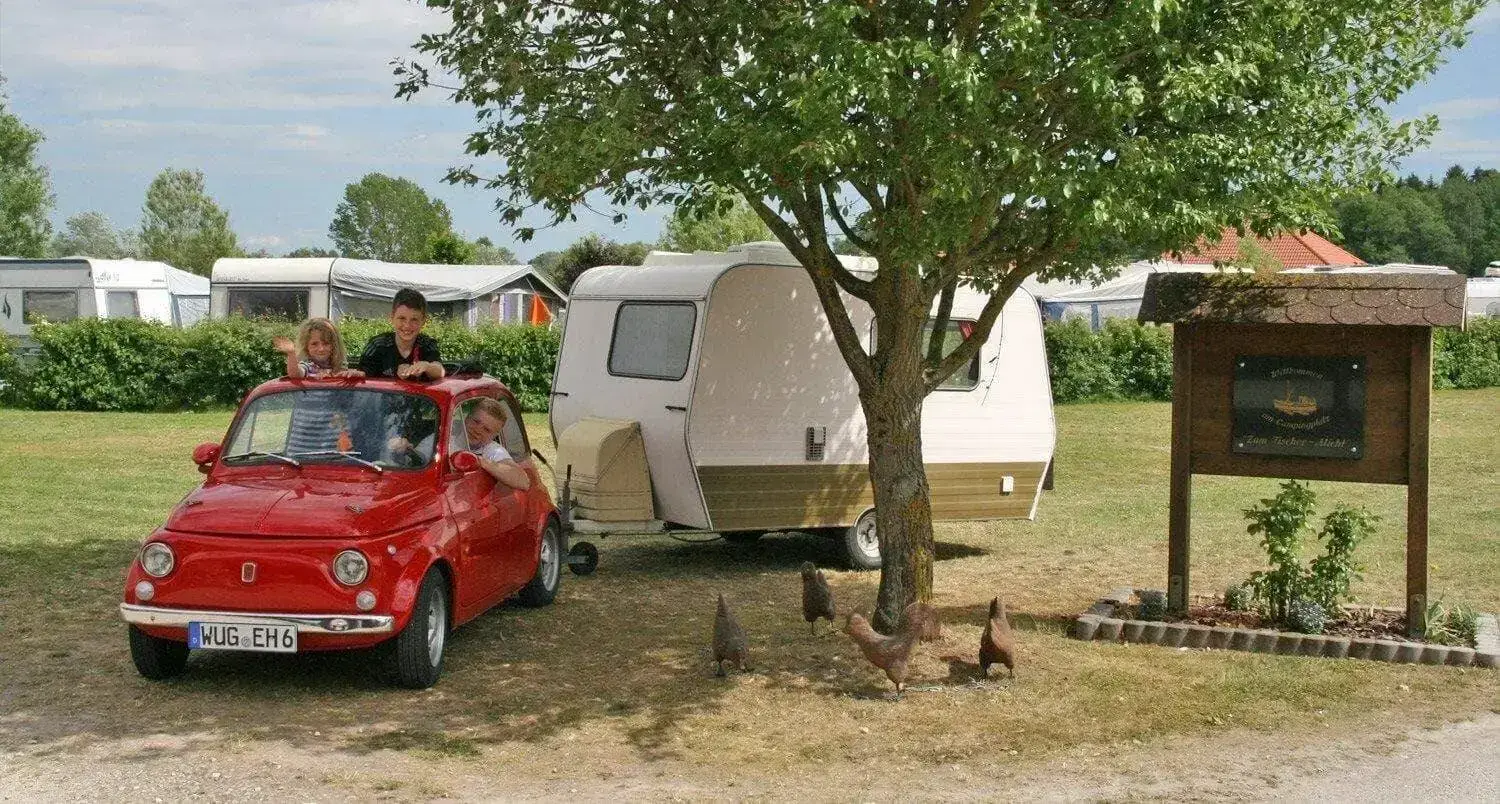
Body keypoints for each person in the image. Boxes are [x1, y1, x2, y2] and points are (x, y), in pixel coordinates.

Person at [354, 288, 446, 380]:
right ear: (392, 318)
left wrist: (427, 366)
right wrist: (355, 374)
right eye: (402, 318)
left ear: (423, 321)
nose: (407, 325)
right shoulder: (377, 344)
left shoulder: (427, 344)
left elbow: (440, 371)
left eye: (414, 319)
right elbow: (363, 374)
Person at [273, 318, 354, 378]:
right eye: (314, 344)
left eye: (326, 343)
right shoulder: (308, 366)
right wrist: (291, 353)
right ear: (306, 347)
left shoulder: (339, 366)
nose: (321, 349)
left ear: (334, 345)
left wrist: (356, 374)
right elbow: (295, 374)